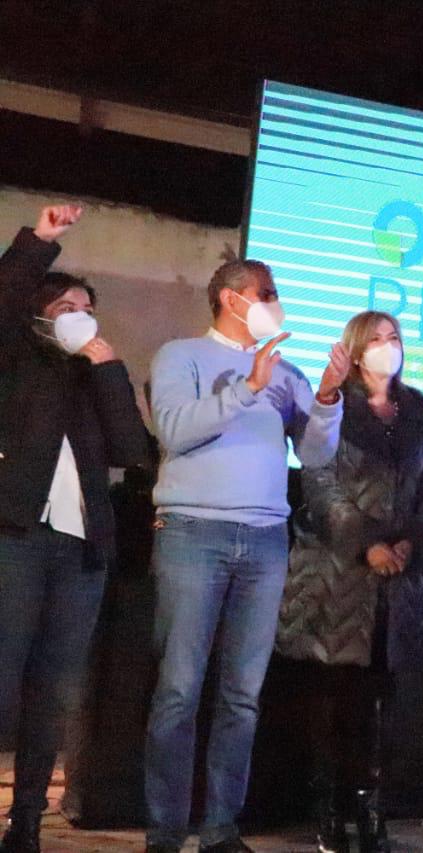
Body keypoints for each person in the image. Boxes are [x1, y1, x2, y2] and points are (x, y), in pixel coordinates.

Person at [143, 260, 349, 853]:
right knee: (179, 689)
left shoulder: (287, 372)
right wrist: (248, 388)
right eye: (267, 293)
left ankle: (220, 830)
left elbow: (315, 455)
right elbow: (174, 431)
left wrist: (327, 397)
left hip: (264, 540)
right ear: (232, 299)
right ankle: (165, 831)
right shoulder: (181, 355)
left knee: (242, 696)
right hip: (193, 532)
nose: (276, 303)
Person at [0, 205, 149, 853]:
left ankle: (27, 820)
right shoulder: (16, 359)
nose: (80, 317)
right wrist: (40, 241)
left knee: (54, 692)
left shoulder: (94, 376)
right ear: (39, 317)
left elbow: (131, 449)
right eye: (66, 308)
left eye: (88, 309)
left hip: (82, 550)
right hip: (17, 537)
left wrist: (108, 366)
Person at [275, 311, 423, 853]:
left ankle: (371, 810)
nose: (387, 347)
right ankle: (329, 810)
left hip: (396, 582)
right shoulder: (332, 405)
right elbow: (320, 483)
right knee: (334, 698)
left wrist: (413, 540)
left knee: (381, 703)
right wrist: (365, 543)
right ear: (354, 349)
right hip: (337, 574)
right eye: (375, 340)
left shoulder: (417, 409)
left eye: (393, 338)